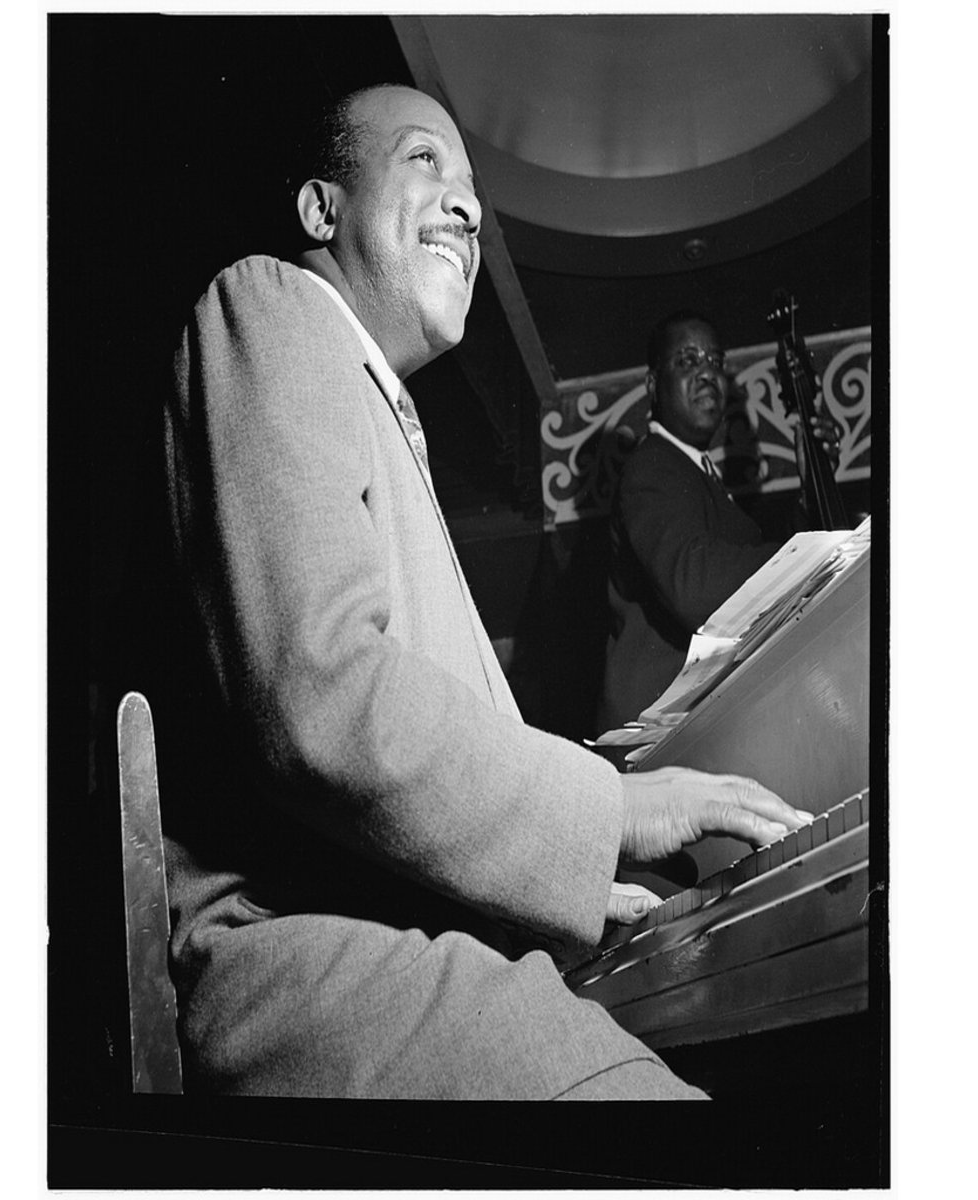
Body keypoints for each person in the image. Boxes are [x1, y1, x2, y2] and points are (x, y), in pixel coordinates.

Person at [131, 83, 811, 1100]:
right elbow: (322, 695)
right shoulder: (272, 304)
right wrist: (612, 810)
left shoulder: (376, 407)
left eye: (473, 188)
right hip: (304, 950)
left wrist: (581, 861)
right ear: (321, 209)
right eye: (424, 160)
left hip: (418, 935)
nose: (468, 206)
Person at [599, 310, 837, 734]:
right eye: (688, 360)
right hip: (660, 736)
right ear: (654, 384)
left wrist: (810, 491)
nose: (708, 373)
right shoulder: (653, 465)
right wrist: (812, 555)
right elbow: (696, 584)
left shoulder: (697, 477)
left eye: (715, 361)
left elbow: (746, 561)